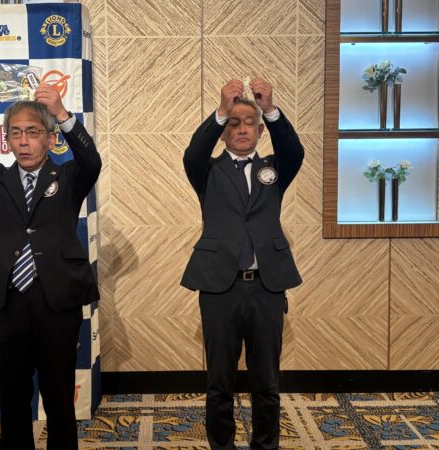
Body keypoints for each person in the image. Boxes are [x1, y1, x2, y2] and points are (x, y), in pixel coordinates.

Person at [0, 84, 101, 450]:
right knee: (12, 395)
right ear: (7, 141)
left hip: (56, 300)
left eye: (32, 132)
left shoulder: (68, 178)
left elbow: (91, 161)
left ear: (50, 139)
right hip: (8, 300)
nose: (24, 141)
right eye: (15, 133)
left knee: (59, 395)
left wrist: (61, 114)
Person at [181, 78, 304, 450]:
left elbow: (294, 149)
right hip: (220, 287)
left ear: (260, 131)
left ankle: (265, 445)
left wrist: (270, 108)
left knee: (267, 381)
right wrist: (221, 110)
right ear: (223, 132)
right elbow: (193, 151)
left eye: (250, 123)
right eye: (233, 124)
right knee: (220, 381)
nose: (242, 129)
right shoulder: (207, 170)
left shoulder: (275, 169)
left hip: (267, 285)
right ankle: (222, 446)